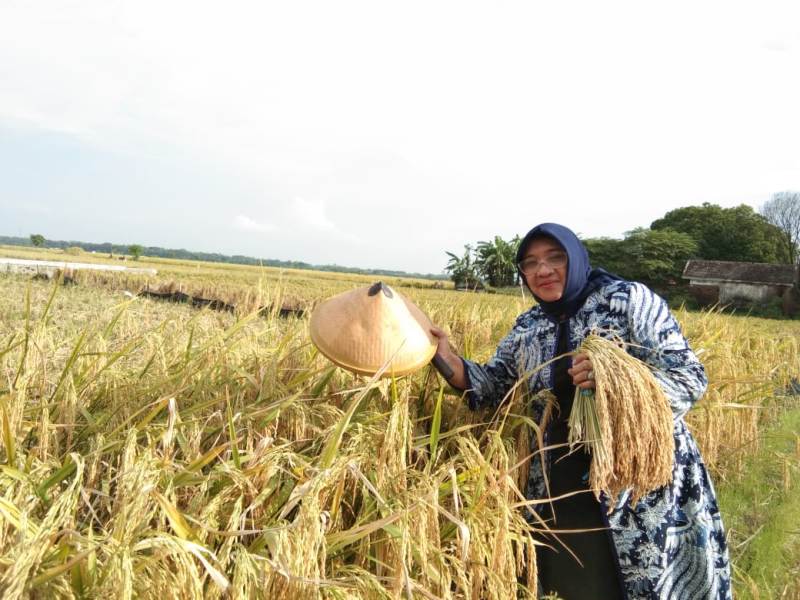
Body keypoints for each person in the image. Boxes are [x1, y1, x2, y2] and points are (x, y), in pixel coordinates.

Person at [430, 223, 732, 599]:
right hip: (558, 489)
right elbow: (495, 387)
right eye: (530, 263)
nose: (542, 270)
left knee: (638, 585)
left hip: (635, 486)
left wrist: (613, 380)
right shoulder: (529, 325)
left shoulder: (628, 301)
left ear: (575, 258)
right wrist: (445, 358)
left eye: (555, 257)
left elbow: (689, 378)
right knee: (571, 585)